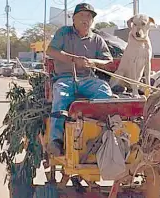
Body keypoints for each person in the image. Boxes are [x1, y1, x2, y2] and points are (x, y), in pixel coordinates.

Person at [46, 3, 114, 155]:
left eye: (89, 17)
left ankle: (101, 135)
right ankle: (55, 141)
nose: (85, 20)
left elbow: (109, 63)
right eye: (82, 16)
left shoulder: (97, 39)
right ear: (74, 19)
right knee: (61, 95)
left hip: (88, 79)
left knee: (104, 91)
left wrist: (93, 62)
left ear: (92, 21)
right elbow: (50, 51)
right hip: (65, 78)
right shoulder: (64, 33)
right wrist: (72, 59)